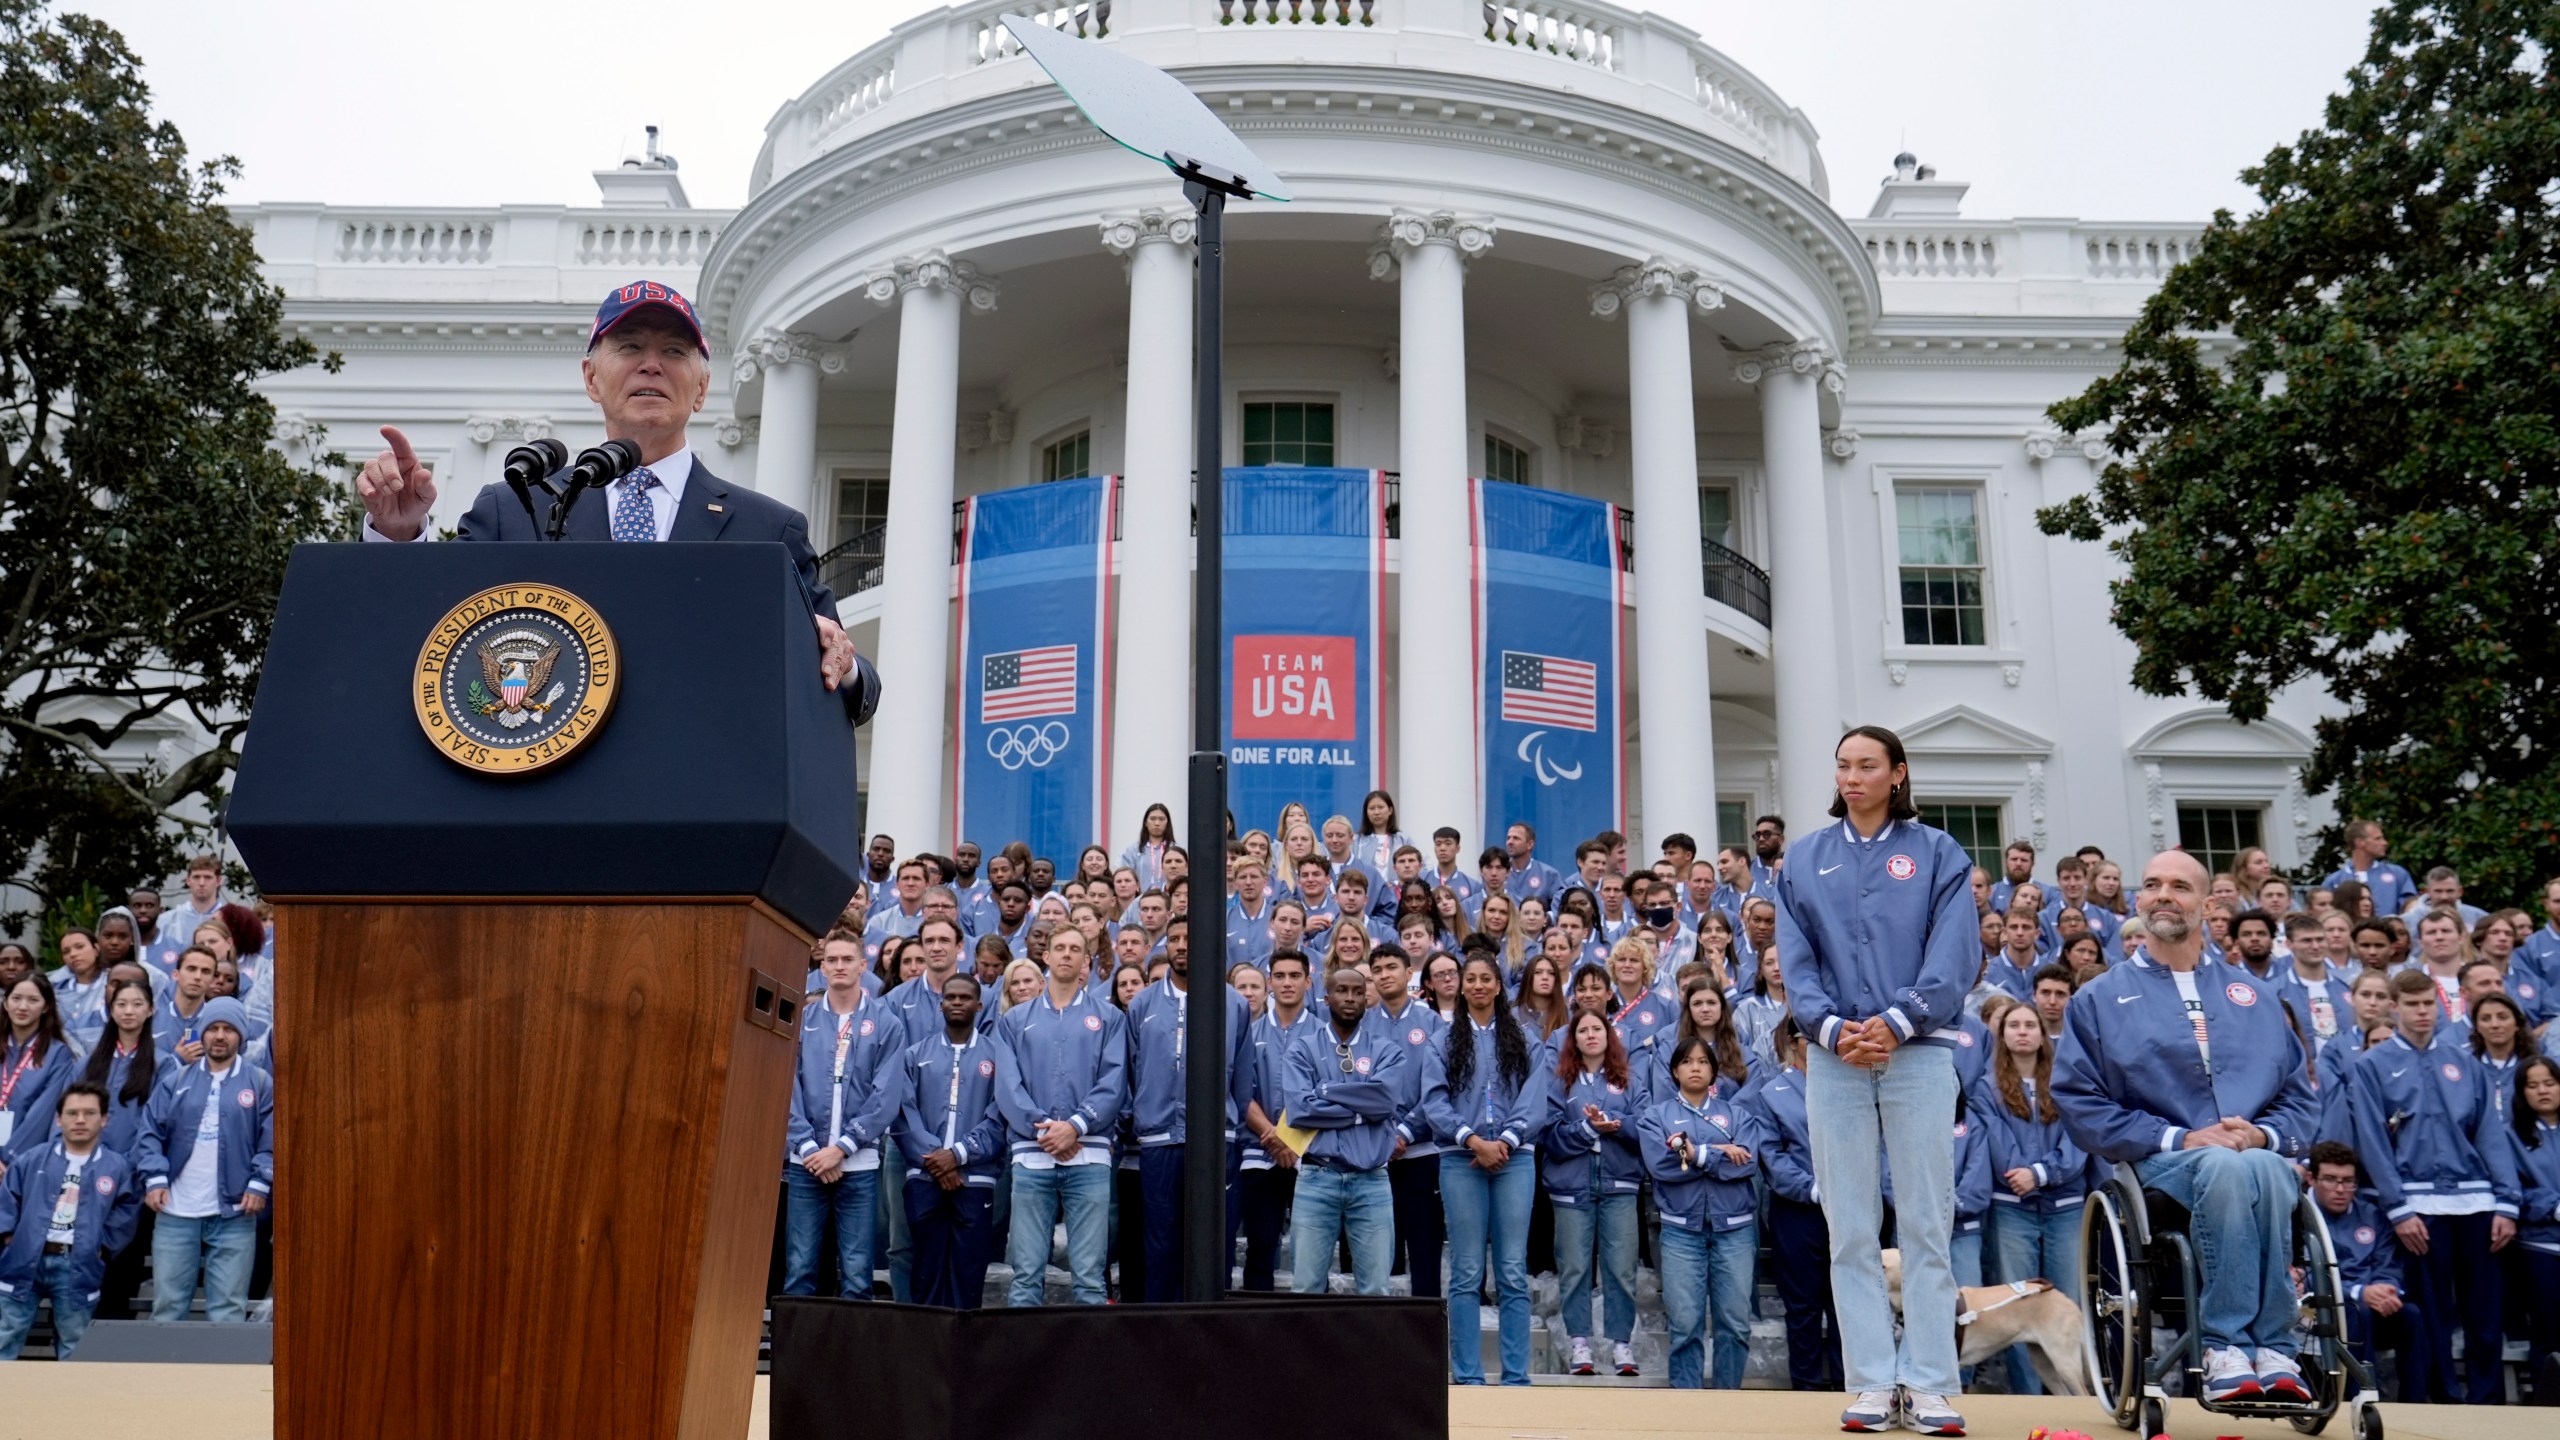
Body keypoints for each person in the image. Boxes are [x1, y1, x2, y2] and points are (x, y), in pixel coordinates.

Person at [354, 280, 878, 719]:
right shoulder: (515, 505)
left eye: (674, 352)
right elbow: (435, 644)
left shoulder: (767, 529)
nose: (651, 365)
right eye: (629, 347)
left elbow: (859, 687)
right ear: (591, 378)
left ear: (701, 389)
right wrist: (399, 538)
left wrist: (843, 663)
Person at [2053, 851, 2320, 1405]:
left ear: (2209, 903)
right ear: (2138, 901)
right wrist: (2183, 1137)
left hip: (2249, 1158)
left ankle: (2275, 1347)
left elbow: (2298, 1098)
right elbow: (2080, 1101)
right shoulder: (2098, 999)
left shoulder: (2258, 996)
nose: (2162, 894)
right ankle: (2222, 1344)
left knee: (2268, 1166)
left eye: (2179, 885)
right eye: (2151, 885)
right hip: (2160, 1162)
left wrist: (2259, 1135)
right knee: (2224, 1164)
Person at [1770, 726, 1975, 1435]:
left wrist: (1897, 1020)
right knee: (1850, 1224)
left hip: (1919, 1055)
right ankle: (1869, 1380)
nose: (1852, 777)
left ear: (1897, 773)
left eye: (1867, 766)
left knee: (1925, 1220)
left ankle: (1928, 1382)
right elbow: (1795, 959)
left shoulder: (1938, 852)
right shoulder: (1805, 859)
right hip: (1833, 1059)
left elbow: (1953, 957)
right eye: (1843, 766)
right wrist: (1829, 1028)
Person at [2348, 967, 2519, 1403]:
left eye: (2430, 1004)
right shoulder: (2372, 1065)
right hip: (2419, 1206)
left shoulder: (2464, 1061)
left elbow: (2489, 1132)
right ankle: (2446, 1401)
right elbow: (2371, 1140)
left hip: (2478, 1201)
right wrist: (2398, 1207)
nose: (2423, 1012)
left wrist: (2507, 1202)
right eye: (2413, 1004)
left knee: (2485, 1313)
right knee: (2435, 1312)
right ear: (2394, 1006)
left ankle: (2489, 1403)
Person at [1422, 952, 1551, 1385]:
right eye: (1469, 979)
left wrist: (1506, 1142)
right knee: (1466, 1271)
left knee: (1512, 1270)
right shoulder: (1442, 1041)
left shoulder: (1527, 1038)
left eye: (1485, 979)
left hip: (1516, 1161)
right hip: (1461, 1160)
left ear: (1499, 986)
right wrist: (1473, 1140)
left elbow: (1535, 1100)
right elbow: (1434, 1101)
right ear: (1460, 987)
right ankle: (1468, 1374)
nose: (1477, 985)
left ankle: (1516, 1376)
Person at [1123, 914, 1253, 1301]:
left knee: (1217, 1242)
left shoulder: (1234, 1004)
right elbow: (1132, 1069)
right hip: (1159, 1141)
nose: (1182, 945)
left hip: (1216, 1141)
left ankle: (1215, 1340)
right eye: (1174, 938)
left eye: (1189, 937)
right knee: (1160, 1243)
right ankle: (1161, 1339)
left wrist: (1229, 1122)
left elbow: (1242, 1077)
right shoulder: (1142, 1004)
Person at [994, 927, 1126, 1307]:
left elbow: (1114, 1082)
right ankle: (1026, 1365)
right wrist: (1046, 1131)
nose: (1067, 955)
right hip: (1033, 1158)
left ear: (1087, 961)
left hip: (1090, 1156)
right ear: (1045, 958)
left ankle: (1090, 1365)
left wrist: (1076, 1126)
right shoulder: (1015, 1020)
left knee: (1089, 1279)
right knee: (1026, 1276)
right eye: (1059, 948)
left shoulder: (1109, 1018)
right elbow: (1008, 1085)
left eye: (1076, 949)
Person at [1974, 995, 2087, 1395]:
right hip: (2012, 1208)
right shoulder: (1987, 1089)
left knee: (2064, 1306)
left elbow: (2078, 1142)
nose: (2022, 1032)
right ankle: (2029, 1401)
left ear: (2043, 1035)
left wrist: (2040, 1173)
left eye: (2030, 1026)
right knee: (2016, 1310)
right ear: (2002, 1036)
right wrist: (2020, 1174)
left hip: (2065, 1208)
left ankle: (2075, 1403)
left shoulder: (2067, 1084)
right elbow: (1997, 1144)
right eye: (2013, 1026)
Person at [136, 997, 272, 1322]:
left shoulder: (260, 1082)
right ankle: (168, 1372)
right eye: (212, 1028)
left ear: (241, 1034)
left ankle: (224, 1375)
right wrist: (154, 1178)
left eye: (228, 1028)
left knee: (228, 1312)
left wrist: (260, 1181)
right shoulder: (176, 1080)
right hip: (175, 1212)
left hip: (234, 1214)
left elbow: (272, 1140)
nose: (220, 1036)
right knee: (168, 1309)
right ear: (202, 1033)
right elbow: (149, 1132)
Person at [1641, 1033, 1762, 1390]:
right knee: (1685, 1325)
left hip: (1735, 1230)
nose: (1695, 1068)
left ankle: (1727, 1406)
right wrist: (1720, 1151)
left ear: (1714, 1072)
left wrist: (1697, 1154)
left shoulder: (1738, 1115)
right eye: (1687, 1062)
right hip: (1681, 1231)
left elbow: (1747, 1164)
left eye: (1703, 1062)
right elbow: (1662, 1167)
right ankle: (1687, 1410)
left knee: (1735, 1324)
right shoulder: (1656, 1116)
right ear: (1675, 1071)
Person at [783, 931, 900, 1300]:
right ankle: (799, 1357)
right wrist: (807, 1147)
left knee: (857, 1272)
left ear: (863, 966)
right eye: (831, 960)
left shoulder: (887, 1023)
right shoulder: (802, 1021)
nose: (839, 966)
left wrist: (843, 1148)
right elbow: (788, 1088)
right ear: (821, 967)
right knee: (800, 1268)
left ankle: (853, 1358)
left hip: (858, 1165)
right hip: (807, 1163)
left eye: (847, 959)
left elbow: (886, 1096)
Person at [1283, 962, 1405, 1295]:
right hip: (1316, 1179)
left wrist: (1324, 1090)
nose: (1350, 997)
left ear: (1367, 1000)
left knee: (1376, 1290)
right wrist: (1360, 1112)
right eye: (1342, 990)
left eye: (1357, 992)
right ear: (1326, 998)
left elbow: (1385, 1102)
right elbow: (1299, 1110)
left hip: (1371, 1181)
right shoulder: (1302, 1049)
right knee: (1306, 1287)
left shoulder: (1387, 1051)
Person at [0, 1082, 139, 1359]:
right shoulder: (32, 1159)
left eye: (89, 1113)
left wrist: (103, 1246)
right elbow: (6, 1199)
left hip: (78, 1264)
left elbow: (127, 1210)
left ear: (104, 1119)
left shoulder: (116, 1166)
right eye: (72, 1113)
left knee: (75, 1343)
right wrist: (9, 1237)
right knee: (6, 1335)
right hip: (25, 1260)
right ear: (58, 1118)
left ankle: (70, 1402)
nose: (80, 1120)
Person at [1743, 1015, 1842, 1392]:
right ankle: (1807, 1389)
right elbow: (1772, 1155)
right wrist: (1813, 1189)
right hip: (1799, 1211)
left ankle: (1855, 1385)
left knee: (1848, 1306)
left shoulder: (1849, 1083)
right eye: (1808, 1038)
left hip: (1848, 1209)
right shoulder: (1773, 1093)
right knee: (1802, 1308)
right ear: (1792, 1042)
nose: (1816, 1046)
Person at [1545, 1008, 1645, 1377]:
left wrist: (1613, 1127)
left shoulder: (1629, 1079)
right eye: (1582, 1030)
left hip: (1619, 1185)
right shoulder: (1560, 1081)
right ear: (1573, 1040)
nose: (1590, 1035)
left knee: (1620, 1269)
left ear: (1609, 1036)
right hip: (1571, 1188)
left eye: (1597, 1029)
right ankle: (1579, 1343)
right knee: (1574, 1268)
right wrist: (1587, 1131)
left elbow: (1646, 1125)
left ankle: (1621, 1344)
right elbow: (1549, 1136)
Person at [897, 972, 1003, 1309]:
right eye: (951, 997)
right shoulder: (915, 1055)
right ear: (940, 1004)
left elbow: (1000, 1115)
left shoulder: (997, 1055)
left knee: (969, 1273)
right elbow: (903, 1112)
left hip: (975, 1178)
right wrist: (938, 1160)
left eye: (965, 997)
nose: (957, 1002)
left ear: (979, 1005)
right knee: (926, 1269)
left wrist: (957, 1155)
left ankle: (964, 1352)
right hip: (925, 1176)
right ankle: (926, 1351)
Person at [80, 978, 170, 1321]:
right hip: (86, 1178)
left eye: (136, 1004)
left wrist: (127, 1168)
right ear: (110, 1009)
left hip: (132, 1184)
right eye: (121, 1004)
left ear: (150, 1010)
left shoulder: (163, 1064)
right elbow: (69, 1114)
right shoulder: (91, 1062)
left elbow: (158, 1126)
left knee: (120, 1272)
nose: (128, 1011)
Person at [2309, 1139, 2428, 1401]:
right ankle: (2359, 1398)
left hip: (2369, 1304)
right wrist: (2359, 1292)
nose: (2340, 1189)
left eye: (2348, 1181)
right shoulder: (2299, 1217)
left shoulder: (2371, 1215)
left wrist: (2386, 1288)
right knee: (2358, 1311)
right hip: (2316, 1311)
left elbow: (2388, 1265)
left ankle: (2416, 1402)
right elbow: (2303, 1275)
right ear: (2311, 1179)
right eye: (2330, 1179)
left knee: (2411, 1315)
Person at [1238, 950, 1317, 1290]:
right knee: (1260, 1248)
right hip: (1260, 1154)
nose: (1287, 983)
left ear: (1308, 981)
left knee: (1311, 1254)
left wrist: (1292, 1141)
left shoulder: (1324, 1033)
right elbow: (1239, 1091)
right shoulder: (1249, 1032)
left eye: (1294, 976)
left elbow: (1324, 1094)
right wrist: (1274, 1136)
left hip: (1311, 1157)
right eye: (1280, 976)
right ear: (1269, 982)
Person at [2508, 1056, 2560, 1373]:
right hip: (2541, 1248)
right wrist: (2553, 1207)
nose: (2542, 1090)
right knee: (2549, 1335)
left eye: (2550, 1083)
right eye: (2532, 1085)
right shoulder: (2510, 1136)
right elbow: (2511, 1189)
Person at [0, 975, 78, 1174]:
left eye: (33, 1000)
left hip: (22, 1162)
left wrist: (10, 1158)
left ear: (46, 1007)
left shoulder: (57, 1053)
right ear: (6, 1003)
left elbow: (42, 1115)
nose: (23, 1006)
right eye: (16, 998)